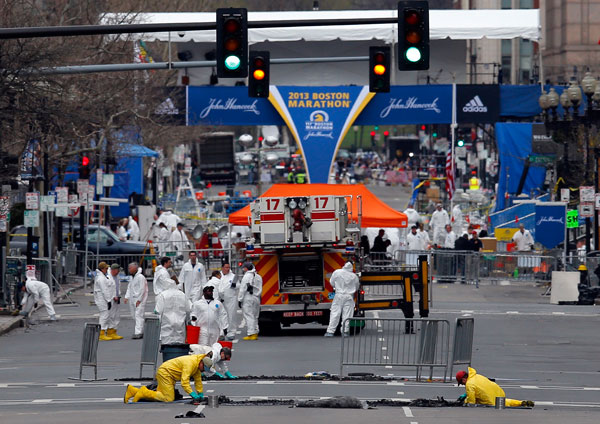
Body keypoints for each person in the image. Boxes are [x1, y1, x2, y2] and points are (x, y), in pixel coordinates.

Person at [124, 354, 213, 403]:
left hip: (170, 375)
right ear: (201, 363)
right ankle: (143, 392)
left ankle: (132, 391)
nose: (203, 371)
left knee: (160, 394)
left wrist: (200, 393)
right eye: (204, 368)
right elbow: (184, 382)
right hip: (165, 373)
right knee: (168, 398)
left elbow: (198, 381)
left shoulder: (197, 366)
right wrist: (193, 394)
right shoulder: (190, 364)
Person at [456, 368, 534, 407]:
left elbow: (471, 402)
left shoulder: (469, 384)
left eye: (461, 382)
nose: (462, 384)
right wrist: (467, 394)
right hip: (499, 392)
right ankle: (521, 403)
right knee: (505, 402)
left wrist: (464, 402)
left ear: (463, 379)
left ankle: (521, 403)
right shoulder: (477, 376)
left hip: (490, 400)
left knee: (484, 402)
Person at [324, 262, 360, 337]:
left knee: (335, 313)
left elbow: (331, 282)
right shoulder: (354, 276)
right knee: (347, 314)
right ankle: (345, 331)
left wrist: (337, 287)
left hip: (338, 295)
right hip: (349, 296)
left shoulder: (337, 272)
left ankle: (330, 331)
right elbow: (357, 287)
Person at [191, 277, 229, 346]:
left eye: (211, 291)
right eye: (209, 291)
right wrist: (193, 320)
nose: (211, 293)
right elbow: (193, 314)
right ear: (204, 292)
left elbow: (223, 315)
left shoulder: (217, 303)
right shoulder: (197, 304)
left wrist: (224, 327)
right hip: (202, 330)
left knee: (214, 347)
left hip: (215, 329)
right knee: (203, 347)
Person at [238, 262, 262, 341]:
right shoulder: (258, 276)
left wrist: (240, 299)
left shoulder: (247, 276)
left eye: (244, 267)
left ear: (247, 268)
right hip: (256, 297)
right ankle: (255, 331)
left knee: (249, 315)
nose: (243, 269)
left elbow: (243, 289)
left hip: (248, 297)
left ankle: (251, 333)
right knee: (255, 316)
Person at [124, 262, 148, 339]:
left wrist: (139, 300)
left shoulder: (140, 277)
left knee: (138, 315)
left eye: (130, 268)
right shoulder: (132, 277)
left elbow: (142, 289)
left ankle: (138, 332)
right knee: (134, 316)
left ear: (135, 268)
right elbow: (129, 287)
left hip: (138, 299)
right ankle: (140, 330)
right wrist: (127, 297)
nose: (129, 270)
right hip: (132, 299)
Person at [94, 262, 115, 341]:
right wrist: (109, 300)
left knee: (105, 315)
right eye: (106, 268)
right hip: (102, 299)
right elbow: (104, 290)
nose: (107, 270)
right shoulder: (101, 278)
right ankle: (101, 333)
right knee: (104, 315)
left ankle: (103, 331)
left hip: (102, 298)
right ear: (102, 269)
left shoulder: (102, 277)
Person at [219, 262, 239, 340]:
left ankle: (231, 332)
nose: (227, 269)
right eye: (226, 267)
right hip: (221, 299)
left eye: (228, 267)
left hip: (231, 299)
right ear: (222, 268)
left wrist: (235, 285)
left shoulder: (233, 276)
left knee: (231, 315)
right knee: (221, 316)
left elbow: (239, 285)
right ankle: (222, 332)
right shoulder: (219, 276)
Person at [107, 264, 124, 340]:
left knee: (116, 315)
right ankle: (110, 331)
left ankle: (114, 331)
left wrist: (118, 295)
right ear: (114, 270)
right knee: (111, 315)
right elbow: (108, 289)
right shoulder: (108, 277)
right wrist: (113, 296)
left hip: (117, 298)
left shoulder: (117, 277)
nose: (119, 272)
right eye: (118, 270)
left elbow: (118, 287)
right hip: (111, 299)